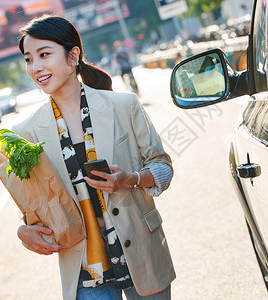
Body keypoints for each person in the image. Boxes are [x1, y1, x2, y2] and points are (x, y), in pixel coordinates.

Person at [15, 15, 175, 300]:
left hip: (142, 249)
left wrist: (131, 179)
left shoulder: (124, 106)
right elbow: (34, 201)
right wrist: (23, 230)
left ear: (73, 55)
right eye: (28, 59)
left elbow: (162, 167)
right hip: (84, 267)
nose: (35, 67)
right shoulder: (26, 132)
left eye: (44, 55)